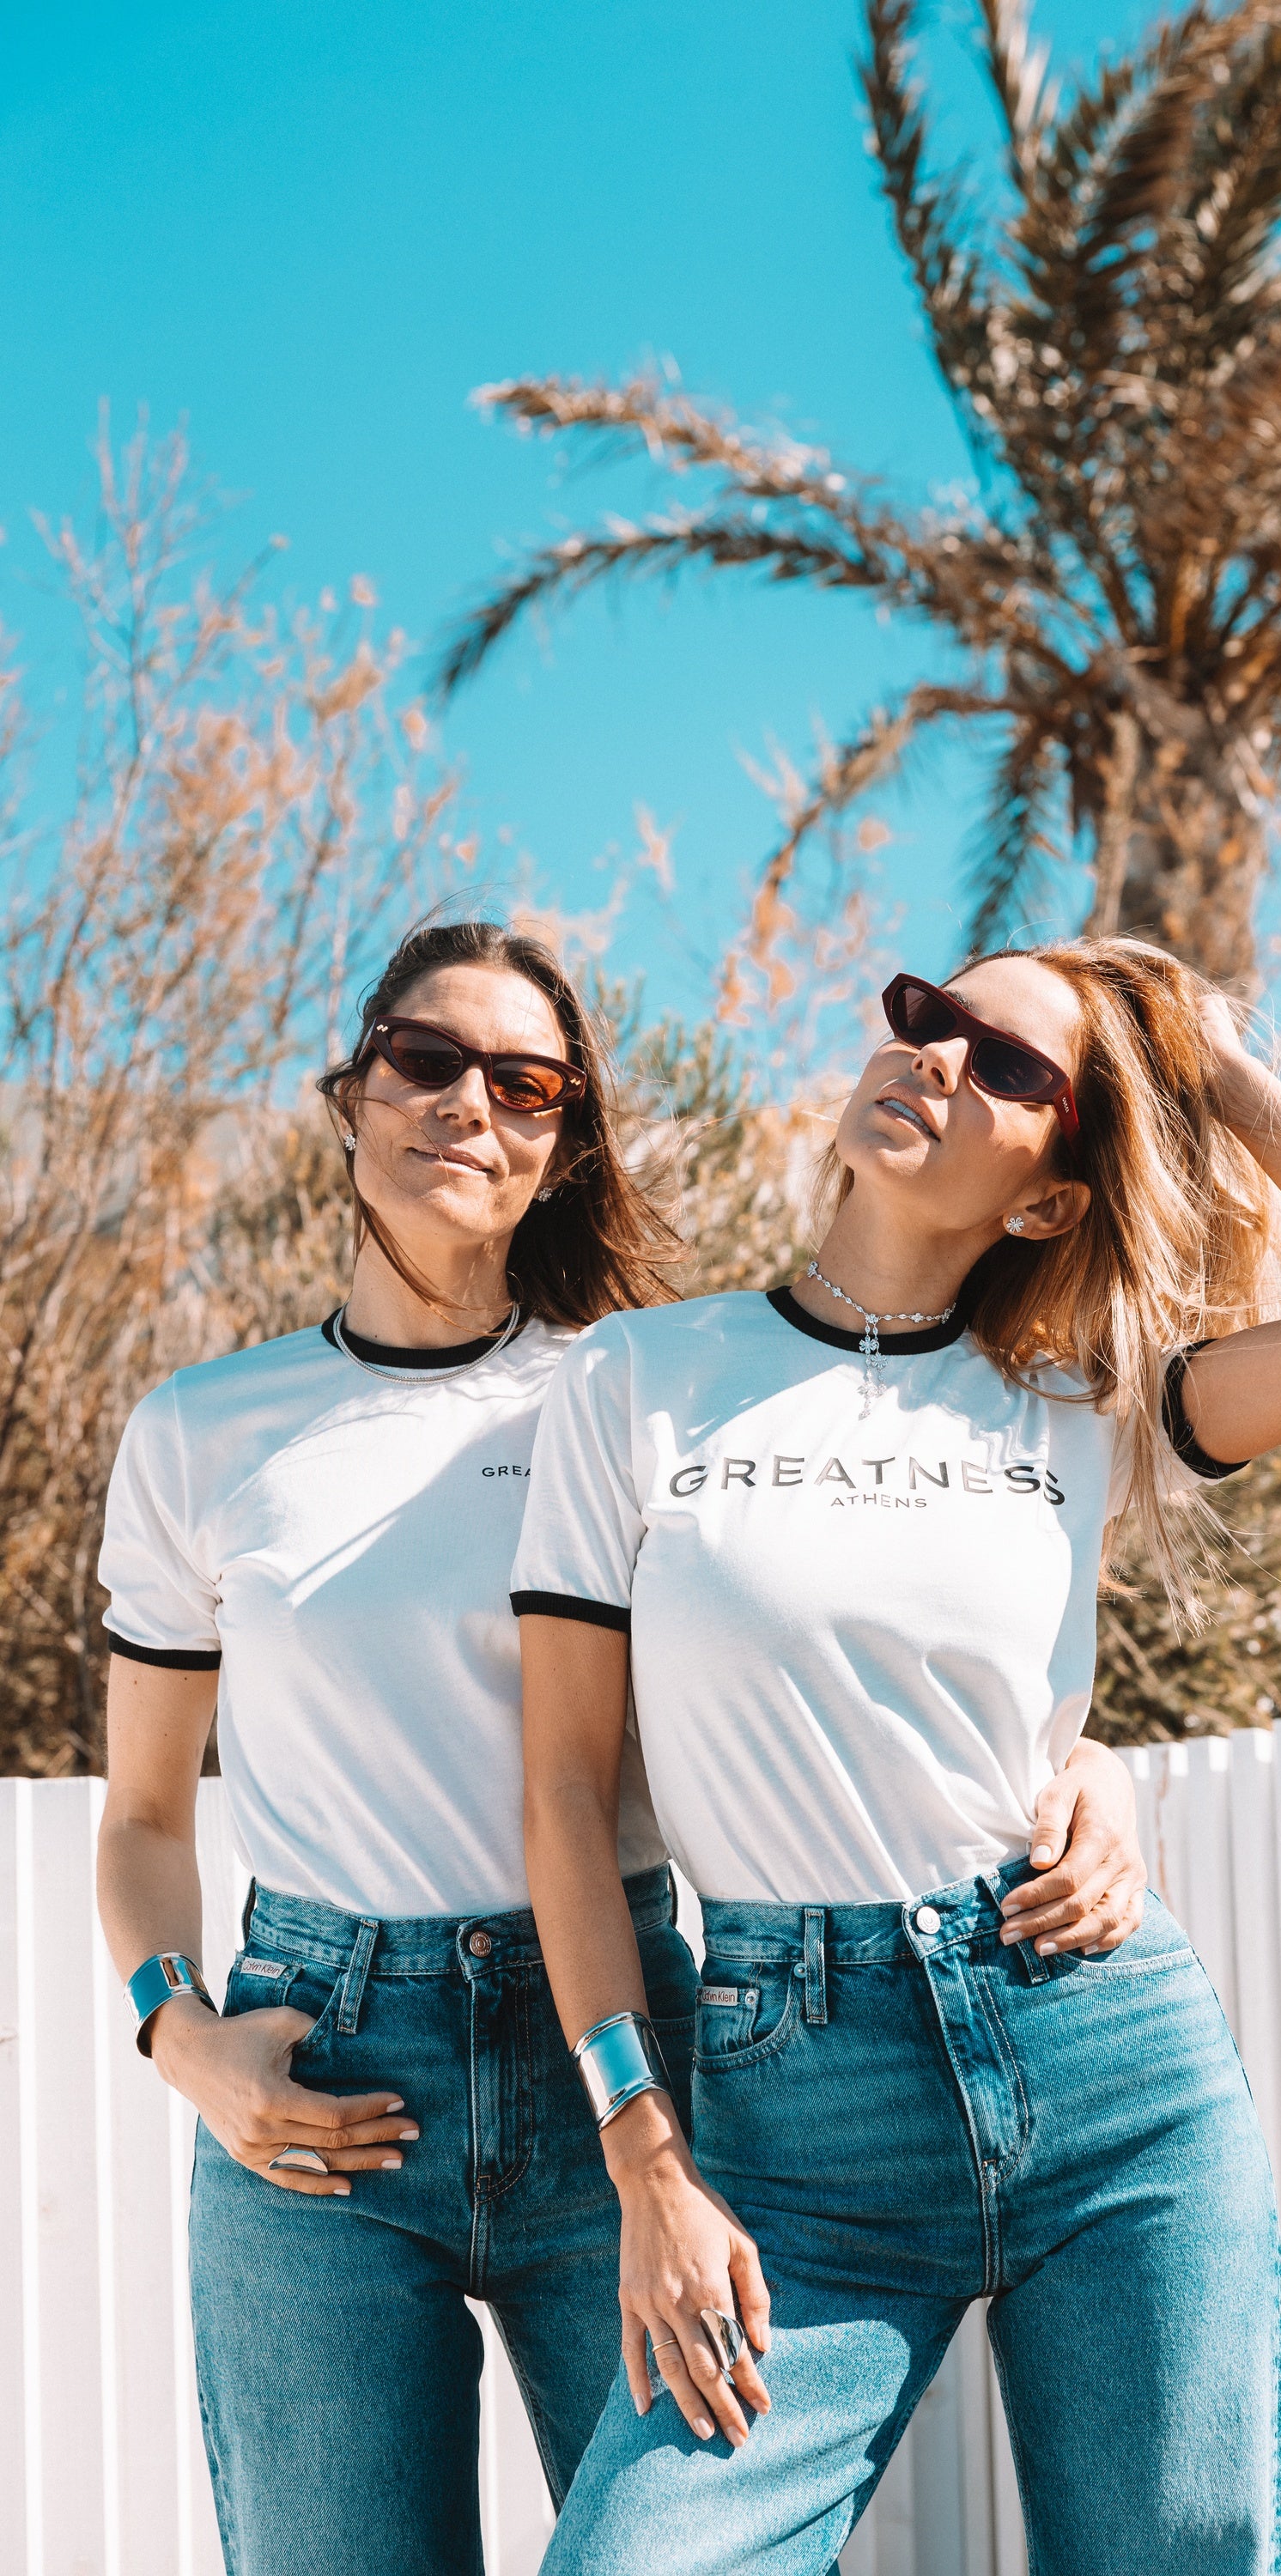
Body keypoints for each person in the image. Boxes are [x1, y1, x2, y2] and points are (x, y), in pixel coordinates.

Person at [94, 918, 1155, 2576]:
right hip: (321, 2069)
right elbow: (146, 1816)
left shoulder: (655, 1391)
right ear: (354, 1092)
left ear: (563, 1143)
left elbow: (874, 1634)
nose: (468, 1105)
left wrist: (1089, 1764)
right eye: (425, 1060)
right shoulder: (199, 1434)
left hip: (622, 2055)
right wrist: (182, 2034)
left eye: (524, 1084)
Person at [513, 937, 1281, 2576]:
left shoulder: (1081, 1402)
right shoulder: (640, 1381)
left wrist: (1203, 1061)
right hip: (798, 2116)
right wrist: (645, 2160)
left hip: (1107, 2068)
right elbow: (560, 1794)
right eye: (929, 1015)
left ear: (1050, 1199)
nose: (938, 1056)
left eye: (1013, 1066)